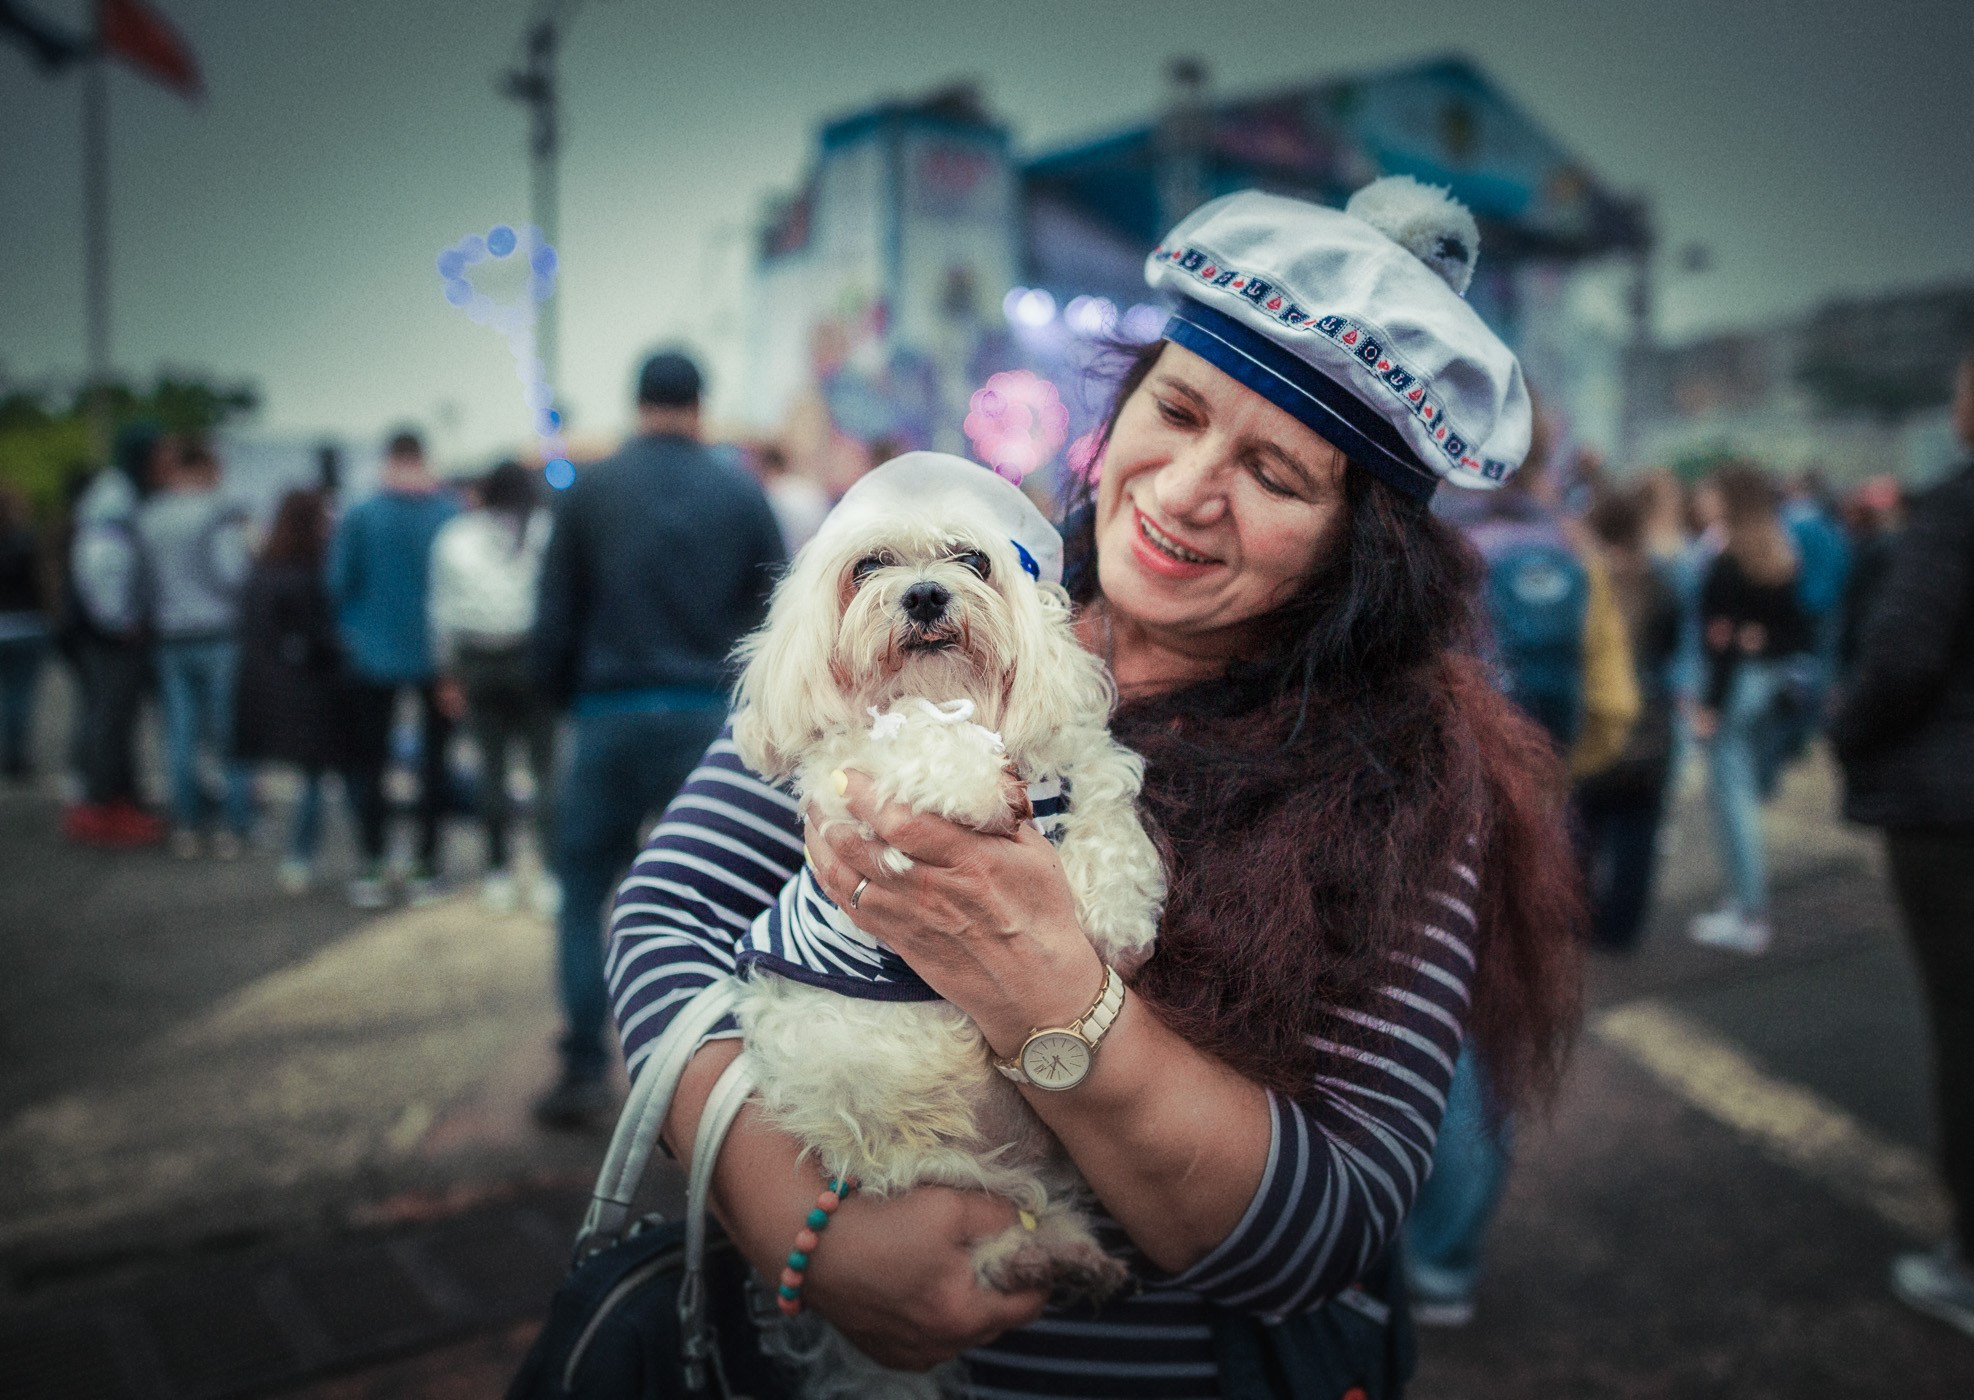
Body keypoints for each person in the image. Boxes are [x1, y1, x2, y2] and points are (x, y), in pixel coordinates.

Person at [607, 183, 1583, 1393]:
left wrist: (1043, 977)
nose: (1183, 489)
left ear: (1359, 548)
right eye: (1174, 410)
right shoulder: (936, 624)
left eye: (1275, 474)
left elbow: (1327, 1226)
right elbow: (663, 920)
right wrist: (803, 1225)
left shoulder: (1408, 781)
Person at [1410, 408, 1635, 1325]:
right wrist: (1547, 784)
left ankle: (1383, 1240)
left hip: (1421, 811)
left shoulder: (1423, 544)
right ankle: (1448, 1260)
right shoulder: (1571, 552)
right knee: (1488, 1023)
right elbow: (1614, 706)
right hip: (1533, 818)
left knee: (1405, 1016)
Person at [530, 350, 785, 1127]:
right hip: (711, 723)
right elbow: (780, 614)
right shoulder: (740, 491)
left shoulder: (589, 491)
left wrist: (557, 703)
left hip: (607, 715)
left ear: (636, 400)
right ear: (699, 404)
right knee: (725, 901)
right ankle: (733, 1082)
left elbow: (553, 614)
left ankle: (582, 1068)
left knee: (584, 894)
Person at [1834, 348, 1974, 1338]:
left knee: (1966, 1026)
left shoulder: (1956, 509)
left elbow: (1905, 653)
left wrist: (1845, 725)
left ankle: (1967, 1255)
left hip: (1952, 807)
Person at [328, 429, 459, 907]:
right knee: (435, 763)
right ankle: (427, 863)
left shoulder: (362, 514)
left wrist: (354, 633)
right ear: (424, 458)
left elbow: (338, 583)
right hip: (438, 657)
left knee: (369, 763)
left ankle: (373, 863)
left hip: (371, 657)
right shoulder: (448, 512)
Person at [1687, 464, 1814, 955]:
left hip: (1735, 687)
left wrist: (1709, 706)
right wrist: (1757, 642)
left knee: (1731, 797)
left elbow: (1720, 643)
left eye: (1711, 490)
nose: (1703, 498)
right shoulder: (1778, 552)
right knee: (1741, 794)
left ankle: (1748, 911)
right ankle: (1743, 903)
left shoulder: (1725, 559)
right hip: (1767, 684)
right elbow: (1796, 630)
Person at [429, 460, 558, 915]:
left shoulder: (455, 537)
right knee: (547, 772)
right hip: (534, 660)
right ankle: (548, 874)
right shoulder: (546, 532)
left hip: (477, 662)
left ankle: (498, 872)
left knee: (491, 771)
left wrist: (446, 674)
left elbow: (441, 612)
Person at [134, 438, 255, 857]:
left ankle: (186, 824)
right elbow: (234, 575)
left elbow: (140, 582)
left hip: (168, 637)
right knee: (228, 734)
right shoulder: (217, 515)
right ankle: (234, 826)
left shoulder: (150, 516)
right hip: (218, 633)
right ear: (206, 468)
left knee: (179, 735)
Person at [1576, 485, 1683, 952]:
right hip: (1653, 732)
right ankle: (1621, 930)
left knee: (1582, 832)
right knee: (1638, 834)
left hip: (1596, 726)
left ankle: (1576, 920)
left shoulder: (1586, 582)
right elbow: (1672, 651)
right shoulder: (1663, 586)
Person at [235, 490, 350, 894]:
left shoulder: (261, 571)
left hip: (265, 686)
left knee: (249, 764)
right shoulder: (312, 575)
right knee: (321, 777)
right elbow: (322, 638)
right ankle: (315, 856)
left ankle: (248, 829)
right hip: (312, 690)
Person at [60, 425, 168, 847]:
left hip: (101, 628)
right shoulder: (117, 501)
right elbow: (105, 564)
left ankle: (113, 797)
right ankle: (100, 802)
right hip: (107, 634)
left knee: (109, 718)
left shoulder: (117, 495)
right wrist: (122, 621)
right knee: (108, 718)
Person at [0, 486, 50, 784]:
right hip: (27, 624)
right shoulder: (27, 542)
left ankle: (11, 753)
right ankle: (17, 755)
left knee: (8, 697)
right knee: (21, 696)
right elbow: (42, 584)